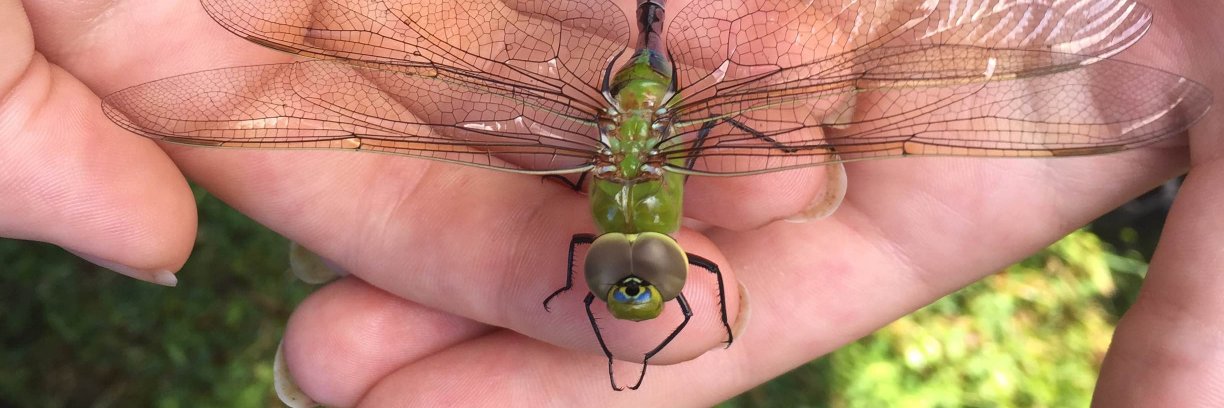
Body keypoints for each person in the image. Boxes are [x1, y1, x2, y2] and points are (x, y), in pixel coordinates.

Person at [2, 0, 1220, 405]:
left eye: (621, 284)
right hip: (630, 108)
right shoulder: (616, 228)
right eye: (644, 283)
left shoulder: (622, 222)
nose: (635, 284)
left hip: (661, 107)